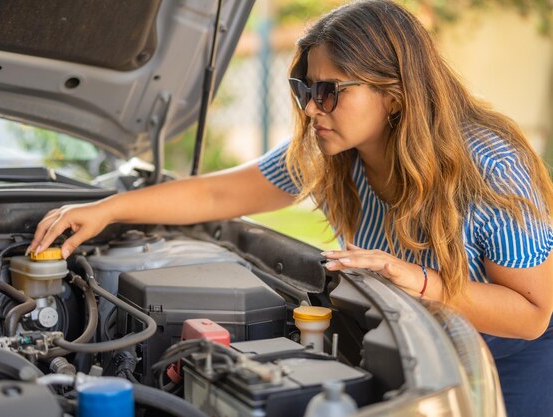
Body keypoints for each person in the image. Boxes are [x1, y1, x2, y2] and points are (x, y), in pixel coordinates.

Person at [29, 1, 553, 415]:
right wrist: (109, 208)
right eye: (304, 88)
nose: (309, 109)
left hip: (512, 358)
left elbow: (531, 315)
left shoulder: (490, 168)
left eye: (329, 91)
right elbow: (216, 194)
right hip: (413, 340)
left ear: (394, 95)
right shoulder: (329, 154)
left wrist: (415, 280)